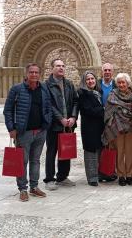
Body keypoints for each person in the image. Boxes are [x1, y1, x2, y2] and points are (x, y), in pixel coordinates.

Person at [3, 63, 52, 202]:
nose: (34, 75)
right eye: (31, 72)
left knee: (35, 160)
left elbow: (48, 106)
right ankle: (23, 189)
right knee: (22, 161)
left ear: (40, 74)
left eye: (36, 72)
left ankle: (34, 187)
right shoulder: (17, 89)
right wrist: (11, 128)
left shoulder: (43, 88)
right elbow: (8, 110)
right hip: (24, 133)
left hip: (40, 132)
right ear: (26, 74)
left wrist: (47, 122)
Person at [44, 59, 78, 190]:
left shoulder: (69, 84)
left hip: (68, 124)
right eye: (58, 66)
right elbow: (48, 104)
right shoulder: (46, 85)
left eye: (63, 66)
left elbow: (75, 101)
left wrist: (73, 117)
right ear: (52, 68)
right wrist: (60, 119)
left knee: (66, 151)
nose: (61, 68)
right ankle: (49, 179)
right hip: (54, 125)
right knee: (52, 151)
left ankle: (62, 177)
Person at [102, 73, 132, 186]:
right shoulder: (113, 95)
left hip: (131, 126)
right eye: (119, 83)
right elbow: (108, 110)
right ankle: (121, 175)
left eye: (123, 82)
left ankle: (130, 175)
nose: (121, 85)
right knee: (119, 151)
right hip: (117, 127)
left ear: (128, 83)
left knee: (130, 151)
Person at [78, 70, 104, 187]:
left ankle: (98, 174)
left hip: (99, 127)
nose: (90, 81)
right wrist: (103, 110)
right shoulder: (82, 94)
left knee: (98, 150)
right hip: (89, 128)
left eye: (92, 78)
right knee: (90, 152)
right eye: (88, 79)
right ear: (84, 81)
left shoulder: (98, 92)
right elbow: (87, 110)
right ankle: (92, 178)